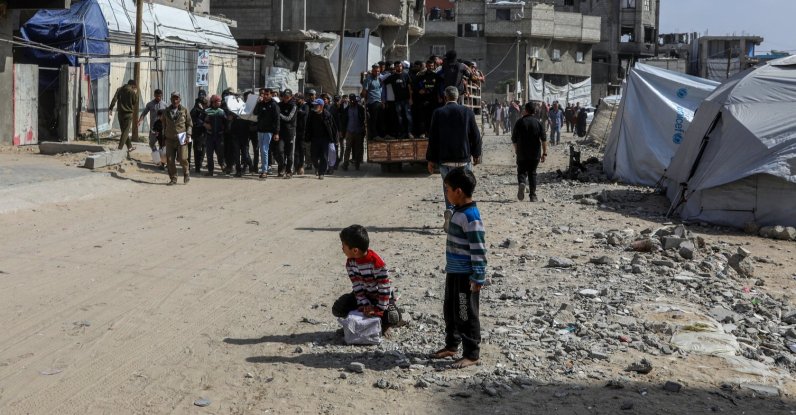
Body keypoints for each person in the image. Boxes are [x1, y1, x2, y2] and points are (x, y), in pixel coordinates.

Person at [430, 168, 487, 369]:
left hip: (465, 276)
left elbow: (479, 250)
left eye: (448, 189)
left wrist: (478, 277)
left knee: (466, 313)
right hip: (453, 272)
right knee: (451, 311)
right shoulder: (458, 212)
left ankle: (472, 354)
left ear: (459, 191)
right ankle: (451, 345)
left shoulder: (471, 217)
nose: (446, 193)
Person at [426, 86, 482, 231]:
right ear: (458, 97)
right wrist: (476, 154)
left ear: (445, 97)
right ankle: (462, 221)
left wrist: (431, 160)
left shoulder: (438, 113)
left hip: (445, 160)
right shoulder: (467, 112)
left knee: (448, 188)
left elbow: (433, 138)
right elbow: (475, 135)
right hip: (463, 159)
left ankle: (450, 211)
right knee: (463, 189)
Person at [332, 224, 401, 336]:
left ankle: (384, 325)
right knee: (338, 308)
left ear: (355, 250)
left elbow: (384, 288)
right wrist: (364, 305)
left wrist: (378, 309)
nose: (342, 248)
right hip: (365, 296)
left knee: (392, 316)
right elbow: (357, 286)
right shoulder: (350, 263)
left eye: (343, 245)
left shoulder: (376, 263)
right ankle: (352, 325)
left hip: (380, 297)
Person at [512, 102, 548, 202]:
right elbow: (544, 139)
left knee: (521, 171)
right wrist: (544, 153)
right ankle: (532, 196)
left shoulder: (519, 122)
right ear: (535, 111)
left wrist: (516, 150)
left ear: (526, 110)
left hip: (522, 153)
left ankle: (522, 183)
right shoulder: (538, 123)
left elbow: (514, 139)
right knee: (532, 173)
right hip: (535, 154)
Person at [159, 91, 192, 185]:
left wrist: (188, 135)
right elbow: (164, 125)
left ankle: (186, 172)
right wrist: (163, 139)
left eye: (177, 98)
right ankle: (173, 178)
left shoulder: (184, 110)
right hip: (169, 138)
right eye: (173, 98)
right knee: (169, 160)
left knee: (182, 158)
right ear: (170, 99)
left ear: (180, 100)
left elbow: (189, 124)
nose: (175, 100)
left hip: (182, 137)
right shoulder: (166, 111)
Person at [305, 98, 338, 180]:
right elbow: (308, 126)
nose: (315, 106)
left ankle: (321, 172)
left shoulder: (327, 115)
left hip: (325, 139)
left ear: (322, 106)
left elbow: (333, 128)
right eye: (314, 105)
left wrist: (335, 139)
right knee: (313, 156)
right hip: (314, 138)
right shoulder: (312, 114)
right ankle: (317, 167)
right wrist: (306, 136)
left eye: (317, 105)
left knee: (324, 156)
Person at [253, 88, 280, 179]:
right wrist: (258, 102)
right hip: (260, 130)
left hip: (269, 131)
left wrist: (276, 133)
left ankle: (264, 170)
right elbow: (255, 112)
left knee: (264, 149)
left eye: (267, 94)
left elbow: (277, 120)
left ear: (271, 95)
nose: (265, 96)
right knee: (262, 150)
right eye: (264, 94)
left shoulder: (274, 105)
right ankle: (266, 168)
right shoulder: (260, 104)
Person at [383, 61, 413, 139]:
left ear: (402, 67)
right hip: (397, 101)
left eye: (400, 66)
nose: (398, 67)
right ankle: (402, 133)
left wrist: (410, 98)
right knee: (400, 118)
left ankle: (409, 132)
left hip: (406, 100)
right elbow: (382, 81)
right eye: (397, 66)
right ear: (395, 67)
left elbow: (409, 87)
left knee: (408, 117)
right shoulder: (392, 77)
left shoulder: (406, 75)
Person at [414, 59, 443, 138]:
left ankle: (431, 133)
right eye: (429, 66)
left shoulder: (437, 76)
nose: (430, 67)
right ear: (426, 66)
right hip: (423, 100)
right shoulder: (421, 76)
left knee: (432, 117)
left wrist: (439, 97)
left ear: (434, 66)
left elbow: (438, 88)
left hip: (433, 100)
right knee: (422, 117)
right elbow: (416, 87)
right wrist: (419, 90)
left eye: (432, 66)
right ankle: (422, 133)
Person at [139, 89, 168, 166]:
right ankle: (156, 156)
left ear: (161, 95)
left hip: (162, 129)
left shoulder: (165, 105)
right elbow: (144, 113)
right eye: (157, 96)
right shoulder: (150, 104)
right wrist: (140, 120)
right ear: (154, 95)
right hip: (153, 129)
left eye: (160, 96)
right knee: (152, 143)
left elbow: (169, 115)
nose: (158, 97)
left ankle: (162, 162)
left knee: (162, 145)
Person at [108, 79, 139, 152]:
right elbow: (135, 102)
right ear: (133, 85)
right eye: (134, 87)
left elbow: (114, 99)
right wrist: (135, 93)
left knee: (124, 131)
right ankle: (120, 148)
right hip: (128, 114)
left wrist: (110, 108)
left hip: (120, 114)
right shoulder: (132, 91)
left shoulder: (119, 89)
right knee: (125, 132)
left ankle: (129, 147)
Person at [202, 95, 226, 176]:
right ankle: (210, 170)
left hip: (219, 136)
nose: (219, 103)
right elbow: (199, 120)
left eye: (219, 101)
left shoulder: (221, 112)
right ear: (213, 102)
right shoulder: (207, 111)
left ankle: (222, 165)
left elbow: (226, 123)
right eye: (217, 101)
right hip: (210, 136)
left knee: (220, 153)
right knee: (209, 154)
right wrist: (205, 124)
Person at [340, 94, 366, 171]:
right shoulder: (346, 110)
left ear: (355, 100)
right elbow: (343, 121)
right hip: (349, 131)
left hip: (358, 132)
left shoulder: (360, 109)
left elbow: (364, 119)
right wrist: (342, 131)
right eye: (350, 100)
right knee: (348, 148)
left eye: (353, 100)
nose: (352, 101)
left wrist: (363, 129)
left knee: (358, 149)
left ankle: (357, 164)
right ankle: (345, 164)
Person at [277, 88, 298, 178]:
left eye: (287, 97)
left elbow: (288, 118)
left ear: (291, 97)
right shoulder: (279, 105)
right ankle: (281, 168)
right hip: (280, 132)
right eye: (284, 96)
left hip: (290, 133)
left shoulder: (293, 106)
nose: (285, 98)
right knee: (279, 151)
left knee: (289, 154)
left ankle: (289, 171)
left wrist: (279, 114)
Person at [361, 64, 383, 139]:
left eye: (378, 71)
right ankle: (374, 135)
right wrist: (365, 100)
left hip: (379, 101)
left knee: (379, 119)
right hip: (372, 102)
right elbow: (364, 91)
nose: (377, 72)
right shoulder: (368, 79)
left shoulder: (379, 79)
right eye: (375, 71)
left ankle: (379, 134)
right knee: (374, 119)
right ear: (372, 70)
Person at [189, 96, 208, 174]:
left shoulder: (203, 110)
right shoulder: (195, 111)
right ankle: (197, 166)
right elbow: (194, 121)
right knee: (198, 150)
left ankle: (199, 165)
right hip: (197, 133)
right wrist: (203, 123)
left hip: (203, 133)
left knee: (202, 149)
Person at [294, 93, 308, 175]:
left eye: (298, 99)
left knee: (301, 150)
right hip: (296, 131)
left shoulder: (305, 106)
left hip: (303, 132)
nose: (296, 100)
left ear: (302, 99)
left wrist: (297, 111)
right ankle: (296, 167)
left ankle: (301, 166)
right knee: (295, 151)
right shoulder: (296, 106)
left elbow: (304, 114)